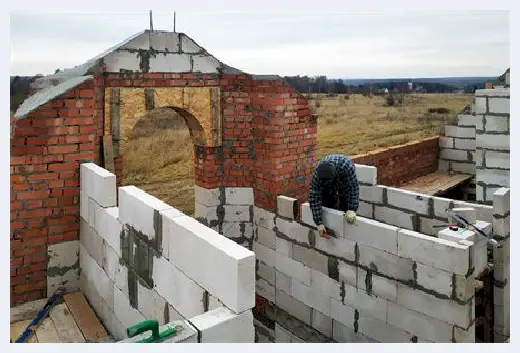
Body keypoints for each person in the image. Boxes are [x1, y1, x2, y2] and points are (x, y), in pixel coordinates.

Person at [309, 154, 359, 238]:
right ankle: (332, 223)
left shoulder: (346, 168)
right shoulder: (317, 176)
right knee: (326, 201)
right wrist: (319, 223)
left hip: (343, 175)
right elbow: (314, 198)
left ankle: (347, 233)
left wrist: (352, 209)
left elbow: (353, 189)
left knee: (345, 200)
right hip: (328, 182)